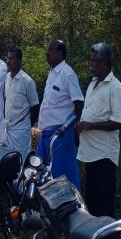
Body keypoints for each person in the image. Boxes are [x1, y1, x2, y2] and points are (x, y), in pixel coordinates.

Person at [76, 43, 121, 217]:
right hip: (90, 153)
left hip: (104, 155)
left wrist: (89, 125)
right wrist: (81, 124)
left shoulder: (115, 87)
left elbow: (118, 122)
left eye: (94, 61)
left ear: (104, 63)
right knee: (93, 204)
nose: (91, 64)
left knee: (105, 206)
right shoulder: (92, 84)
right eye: (90, 60)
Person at [37, 39, 84, 188]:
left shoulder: (67, 74)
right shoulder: (52, 73)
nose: (47, 53)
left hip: (61, 134)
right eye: (47, 49)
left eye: (51, 50)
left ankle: (72, 208)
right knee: (41, 172)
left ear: (60, 53)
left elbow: (79, 103)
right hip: (46, 134)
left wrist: (72, 127)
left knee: (61, 177)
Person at [4, 47, 40, 157]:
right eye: (8, 58)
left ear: (19, 61)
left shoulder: (27, 81)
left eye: (12, 59)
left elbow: (35, 107)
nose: (8, 61)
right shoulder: (6, 77)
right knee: (6, 160)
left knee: (21, 160)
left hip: (21, 131)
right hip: (7, 129)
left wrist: (27, 125)